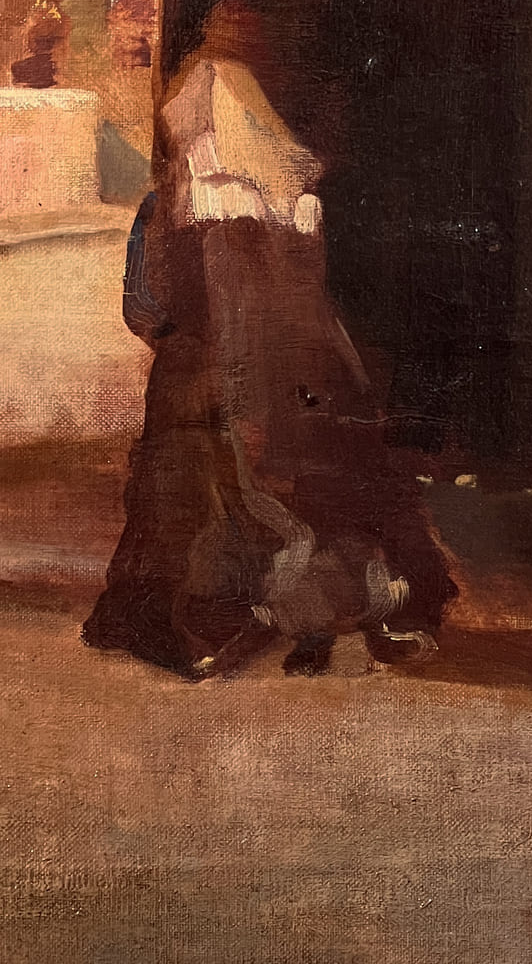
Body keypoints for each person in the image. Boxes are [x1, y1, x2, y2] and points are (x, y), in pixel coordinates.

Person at [83, 54, 455, 679]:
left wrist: (184, 345)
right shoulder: (289, 204)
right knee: (303, 498)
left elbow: (148, 304)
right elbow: (305, 309)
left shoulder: (185, 209)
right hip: (286, 379)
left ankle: (218, 627)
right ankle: (334, 618)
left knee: (216, 502)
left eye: (192, 133)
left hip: (220, 381)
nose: (191, 149)